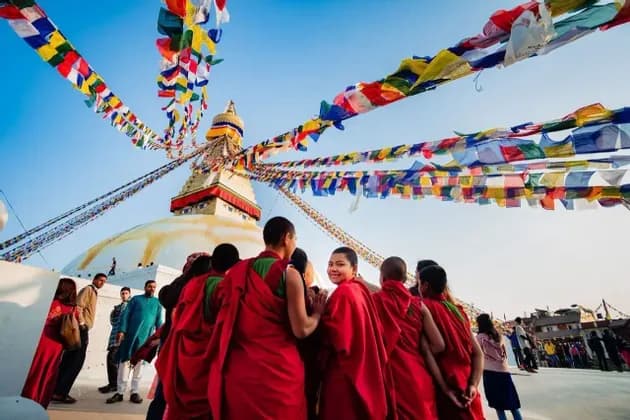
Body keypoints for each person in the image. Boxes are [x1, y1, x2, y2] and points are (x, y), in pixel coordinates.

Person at [207, 216, 327, 419]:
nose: (294, 244)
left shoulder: (238, 271)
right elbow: (302, 329)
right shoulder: (289, 275)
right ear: (286, 238)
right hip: (278, 374)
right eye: (295, 239)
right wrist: (317, 312)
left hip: (239, 370)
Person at [157, 244, 240, 420]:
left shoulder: (192, 284)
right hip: (208, 356)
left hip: (184, 354)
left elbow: (177, 313)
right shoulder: (223, 287)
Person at [372, 256, 453, 420]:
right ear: (404, 279)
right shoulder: (419, 305)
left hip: (392, 375)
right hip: (419, 374)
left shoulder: (373, 301)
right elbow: (439, 345)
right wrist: (418, 352)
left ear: (382, 277)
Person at [318, 247, 390, 420]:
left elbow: (333, 336)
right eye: (330, 264)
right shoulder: (360, 290)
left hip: (342, 370)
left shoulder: (344, 292)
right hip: (358, 370)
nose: (333, 269)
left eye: (340, 264)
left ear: (354, 269)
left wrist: (316, 314)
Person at [146, 252, 212, 420]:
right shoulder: (204, 286)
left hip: (171, 348)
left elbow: (165, 296)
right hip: (190, 351)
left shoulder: (177, 287)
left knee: (165, 393)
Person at [419, 264, 485, 420]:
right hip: (469, 387)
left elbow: (432, 349)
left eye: (419, 282)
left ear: (425, 285)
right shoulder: (458, 311)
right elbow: (478, 354)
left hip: (449, 386)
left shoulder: (423, 307)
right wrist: (473, 385)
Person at [22, 278, 80, 408]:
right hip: (57, 345)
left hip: (42, 341)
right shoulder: (72, 308)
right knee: (48, 373)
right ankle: (41, 402)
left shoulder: (50, 302)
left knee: (35, 371)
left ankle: (28, 398)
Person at [52, 273, 107, 403]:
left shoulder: (93, 291)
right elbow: (78, 307)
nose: (102, 283)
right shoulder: (88, 289)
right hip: (80, 329)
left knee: (70, 360)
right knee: (75, 361)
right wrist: (82, 324)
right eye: (100, 280)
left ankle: (57, 390)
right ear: (94, 279)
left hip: (81, 328)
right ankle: (61, 392)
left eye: (104, 281)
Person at [107, 280, 163, 404]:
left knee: (139, 365)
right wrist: (122, 331)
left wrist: (159, 337)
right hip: (130, 338)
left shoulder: (157, 303)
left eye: (154, 287)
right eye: (150, 286)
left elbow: (159, 322)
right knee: (124, 363)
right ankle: (120, 392)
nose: (152, 289)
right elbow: (125, 315)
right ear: (145, 287)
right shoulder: (135, 300)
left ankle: (134, 392)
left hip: (145, 340)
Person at [476, 314, 522, 420]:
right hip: (504, 372)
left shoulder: (479, 338)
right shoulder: (499, 336)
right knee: (513, 404)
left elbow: (475, 354)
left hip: (490, 372)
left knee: (498, 406)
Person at [99, 287, 131, 394]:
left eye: (126, 293)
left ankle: (114, 384)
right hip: (114, 336)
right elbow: (113, 321)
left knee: (112, 359)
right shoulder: (118, 307)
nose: (124, 295)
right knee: (112, 360)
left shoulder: (130, 306)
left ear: (129, 294)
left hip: (122, 338)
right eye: (122, 293)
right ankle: (113, 384)